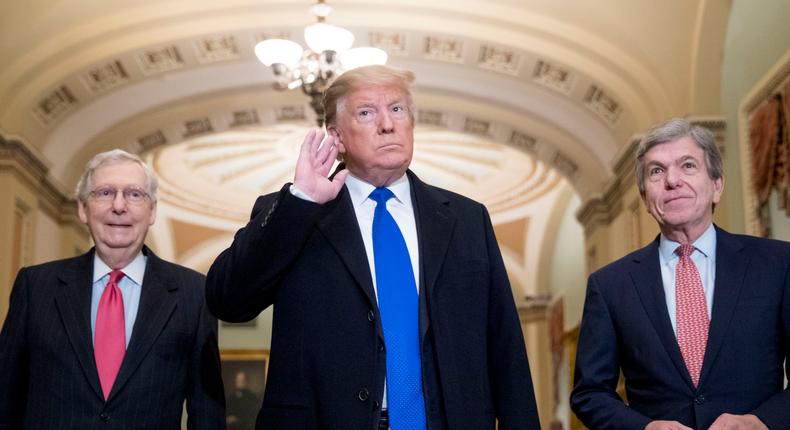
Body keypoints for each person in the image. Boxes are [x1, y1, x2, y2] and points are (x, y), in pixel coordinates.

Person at [205, 65, 540, 429]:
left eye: (397, 109)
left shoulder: (467, 220)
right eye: (366, 112)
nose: (387, 124)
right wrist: (301, 200)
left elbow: (505, 347)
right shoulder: (295, 212)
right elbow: (227, 300)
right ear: (336, 136)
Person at [571, 118, 790, 430]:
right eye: (656, 171)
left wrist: (761, 422)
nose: (672, 180)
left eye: (688, 166)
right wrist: (643, 428)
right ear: (646, 198)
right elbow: (590, 393)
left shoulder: (778, 264)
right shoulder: (610, 286)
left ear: (717, 186)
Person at [0, 149, 226, 428]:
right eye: (105, 193)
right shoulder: (35, 287)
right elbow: (5, 399)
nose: (119, 206)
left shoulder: (194, 294)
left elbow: (207, 412)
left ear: (152, 210)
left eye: (134, 194)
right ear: (83, 209)